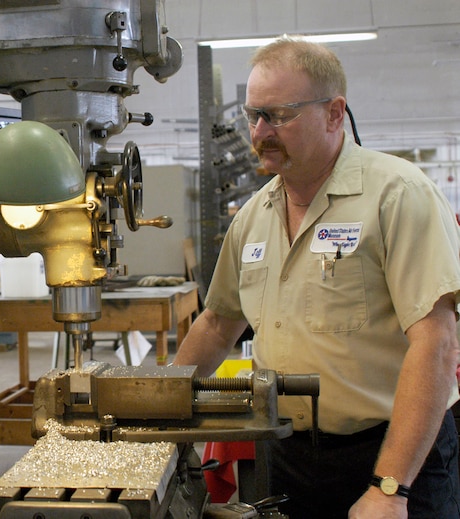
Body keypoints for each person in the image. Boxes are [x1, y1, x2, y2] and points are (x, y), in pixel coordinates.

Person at [173, 37, 460, 519]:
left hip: (395, 455)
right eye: (253, 115)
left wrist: (389, 489)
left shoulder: (397, 195)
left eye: (279, 115)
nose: (260, 131)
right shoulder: (253, 216)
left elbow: (436, 341)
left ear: (334, 113)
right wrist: (158, 409)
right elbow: (219, 323)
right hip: (288, 454)